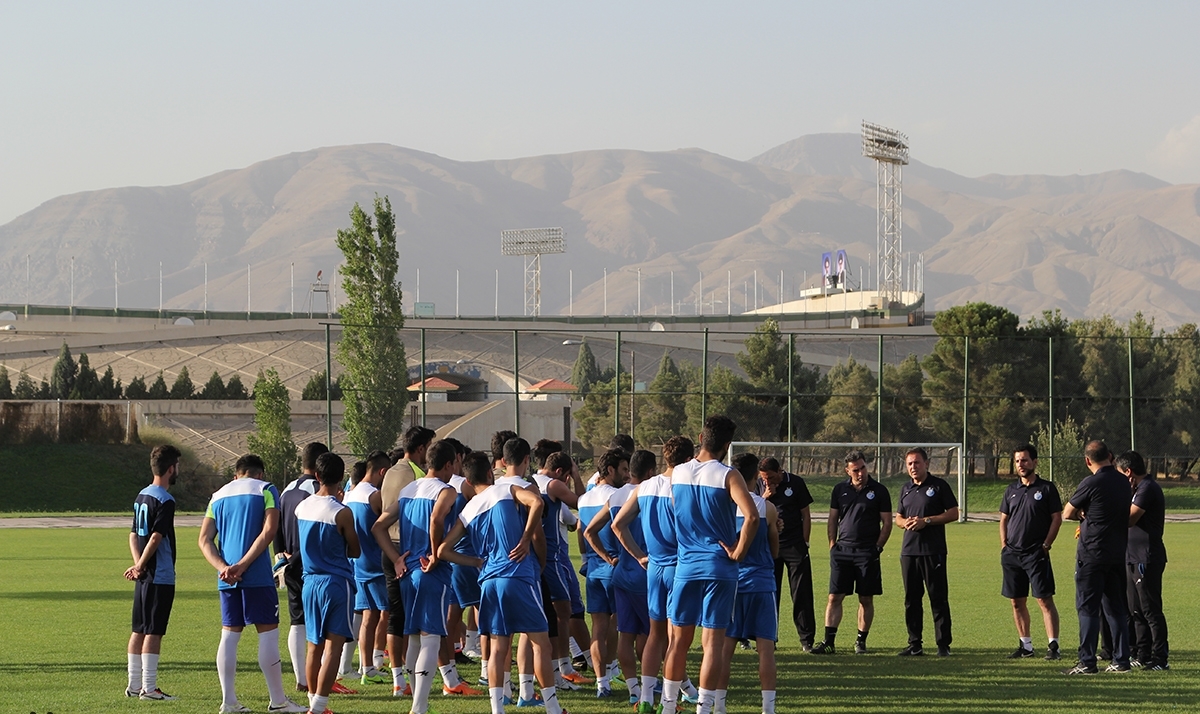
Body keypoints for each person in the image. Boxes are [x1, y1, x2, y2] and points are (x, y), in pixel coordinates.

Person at [438, 449, 570, 714]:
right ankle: (553, 708)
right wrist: (524, 539)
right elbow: (537, 503)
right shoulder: (506, 489)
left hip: (489, 580)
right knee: (540, 642)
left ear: (468, 480)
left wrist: (476, 562)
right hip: (517, 574)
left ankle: (497, 709)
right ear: (490, 473)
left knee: (498, 647)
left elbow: (443, 550)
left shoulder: (469, 509)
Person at [660, 415, 759, 714]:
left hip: (686, 565)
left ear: (701, 438)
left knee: (677, 640)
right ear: (727, 445)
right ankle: (704, 708)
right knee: (712, 643)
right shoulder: (729, 475)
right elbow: (752, 516)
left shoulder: (677, 473)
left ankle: (667, 706)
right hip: (719, 567)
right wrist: (740, 551)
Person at [375, 440, 479, 714]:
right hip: (429, 571)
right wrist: (435, 554)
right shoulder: (445, 491)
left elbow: (379, 526)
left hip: (407, 570)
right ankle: (419, 707)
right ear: (449, 464)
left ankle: (416, 702)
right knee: (431, 636)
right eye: (455, 464)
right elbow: (436, 519)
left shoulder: (409, 489)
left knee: (414, 637)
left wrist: (396, 557)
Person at [198, 454, 306, 714]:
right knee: (267, 633)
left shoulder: (218, 495)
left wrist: (224, 567)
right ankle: (278, 701)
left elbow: (204, 539)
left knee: (229, 635)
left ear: (237, 474)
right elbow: (270, 530)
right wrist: (244, 565)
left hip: (226, 578)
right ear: (260, 473)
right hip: (255, 575)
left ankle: (229, 701)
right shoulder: (266, 489)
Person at [611, 436, 699, 714]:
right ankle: (669, 702)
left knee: (655, 636)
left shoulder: (645, 486)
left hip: (654, 568)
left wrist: (638, 555)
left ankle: (647, 699)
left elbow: (618, 524)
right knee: (676, 640)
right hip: (678, 568)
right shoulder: (684, 487)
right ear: (688, 460)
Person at [584, 449, 655, 705]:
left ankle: (626, 686)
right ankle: (652, 687)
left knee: (621, 633)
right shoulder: (648, 493)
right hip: (643, 573)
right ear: (650, 472)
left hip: (615, 572)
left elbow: (589, 531)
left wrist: (607, 557)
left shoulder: (611, 497)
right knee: (651, 636)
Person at [294, 452, 361, 714]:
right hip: (336, 582)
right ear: (342, 478)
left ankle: (313, 702)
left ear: (317, 476)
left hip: (310, 582)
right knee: (334, 646)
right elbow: (355, 550)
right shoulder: (342, 513)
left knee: (314, 645)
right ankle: (319, 707)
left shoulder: (302, 507)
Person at [1062, 440, 1133, 675]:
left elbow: (1068, 512)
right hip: (1116, 552)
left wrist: (1084, 513)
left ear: (1087, 460)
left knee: (1088, 608)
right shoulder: (1124, 482)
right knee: (1116, 607)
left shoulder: (1091, 482)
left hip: (1092, 553)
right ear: (1110, 456)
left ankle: (1087, 661)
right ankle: (1121, 660)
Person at [812, 450, 892, 656]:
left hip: (867, 552)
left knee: (866, 599)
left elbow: (887, 522)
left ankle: (860, 641)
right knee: (834, 597)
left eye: (863, 468)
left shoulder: (880, 490)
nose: (860, 473)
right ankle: (829, 642)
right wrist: (832, 544)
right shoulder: (839, 490)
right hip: (842, 551)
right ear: (847, 471)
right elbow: (832, 519)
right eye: (855, 469)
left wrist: (878, 548)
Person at [377, 425, 435, 695]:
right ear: (422, 449)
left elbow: (380, 510)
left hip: (389, 547)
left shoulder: (390, 470)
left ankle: (399, 678)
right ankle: (419, 680)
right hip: (408, 549)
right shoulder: (419, 474)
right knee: (417, 621)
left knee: (396, 615)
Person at [723, 453, 780, 714]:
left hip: (733, 584)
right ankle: (768, 709)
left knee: (724, 650)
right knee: (765, 649)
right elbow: (775, 550)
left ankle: (717, 705)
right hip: (761, 583)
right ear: (755, 476)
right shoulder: (766, 507)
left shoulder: (724, 507)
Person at [125, 444, 182, 701]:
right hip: (159, 574)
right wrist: (142, 565)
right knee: (154, 630)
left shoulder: (141, 495)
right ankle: (149, 688)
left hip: (145, 573)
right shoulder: (165, 499)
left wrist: (138, 565)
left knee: (139, 628)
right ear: (171, 469)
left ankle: (134, 684)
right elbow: (156, 537)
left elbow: (134, 534)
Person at [999, 444, 1063, 660]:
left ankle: (1053, 647)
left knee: (1044, 600)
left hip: (1036, 554)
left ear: (1035, 462)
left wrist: (1046, 545)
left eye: (1025, 460)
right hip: (1012, 555)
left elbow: (1057, 517)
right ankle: (1026, 646)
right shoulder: (1011, 490)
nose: (1021, 464)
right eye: (1017, 461)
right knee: (1017, 601)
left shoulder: (1046, 488)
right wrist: (1004, 545)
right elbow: (1004, 519)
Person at [275, 442, 329, 694]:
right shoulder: (316, 490)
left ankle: (302, 678)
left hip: (290, 562)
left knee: (297, 620)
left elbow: (274, 524)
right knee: (319, 624)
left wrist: (281, 555)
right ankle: (317, 677)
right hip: (310, 564)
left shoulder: (286, 489)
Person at [894, 447, 959, 657]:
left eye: (917, 463)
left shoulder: (939, 486)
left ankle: (943, 645)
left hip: (933, 551)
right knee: (911, 599)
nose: (913, 467)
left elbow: (953, 513)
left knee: (938, 597)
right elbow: (898, 518)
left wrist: (927, 521)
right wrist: (906, 523)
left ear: (926, 463)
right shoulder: (905, 489)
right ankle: (915, 644)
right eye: (910, 464)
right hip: (909, 552)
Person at [577, 448, 629, 698]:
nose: (627, 475)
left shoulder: (584, 498)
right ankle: (611, 671)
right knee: (617, 625)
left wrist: (587, 557)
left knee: (598, 627)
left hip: (595, 570)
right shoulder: (618, 496)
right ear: (610, 470)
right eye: (624, 469)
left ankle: (602, 683)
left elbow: (580, 529)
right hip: (615, 567)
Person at [1116, 450, 1169, 670]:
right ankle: (1142, 653)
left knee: (1150, 611)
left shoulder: (1147, 488)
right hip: (1131, 556)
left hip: (1146, 558)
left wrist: (1104, 513)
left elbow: (1129, 519)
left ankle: (1160, 658)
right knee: (1135, 610)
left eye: (1119, 474)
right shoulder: (1135, 489)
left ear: (1128, 472)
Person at [344, 450, 393, 684]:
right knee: (389, 614)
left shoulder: (350, 495)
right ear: (382, 472)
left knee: (368, 616)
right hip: (375, 565)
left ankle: (367, 668)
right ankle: (396, 666)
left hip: (356, 564)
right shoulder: (374, 496)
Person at [757, 456, 815, 651]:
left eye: (771, 477)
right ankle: (769, 639)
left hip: (795, 546)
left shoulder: (796, 483)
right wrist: (765, 496)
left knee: (801, 593)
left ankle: (806, 640)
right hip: (769, 546)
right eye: (764, 478)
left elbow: (805, 514)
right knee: (770, 594)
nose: (768, 481)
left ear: (780, 471)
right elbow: (752, 512)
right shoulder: (759, 486)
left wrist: (805, 542)